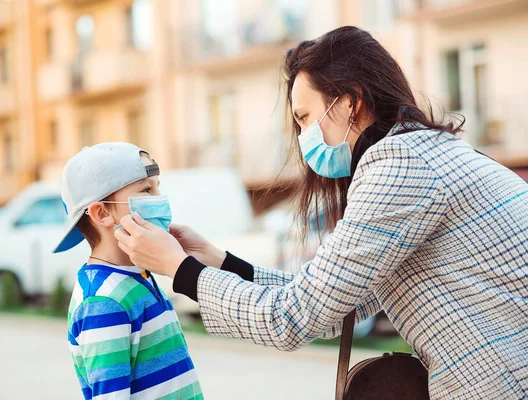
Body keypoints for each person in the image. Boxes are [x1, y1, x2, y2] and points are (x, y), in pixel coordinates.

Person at [114, 26, 528, 399]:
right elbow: (339, 305)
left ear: (350, 102)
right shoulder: (423, 152)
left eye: (306, 117)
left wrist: (180, 268)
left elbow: (294, 318)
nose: (303, 136)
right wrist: (218, 262)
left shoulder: (400, 166)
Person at [54, 143, 203, 400]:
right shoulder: (102, 302)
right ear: (102, 213)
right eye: (146, 190)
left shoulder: (137, 273)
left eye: (158, 187)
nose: (159, 199)